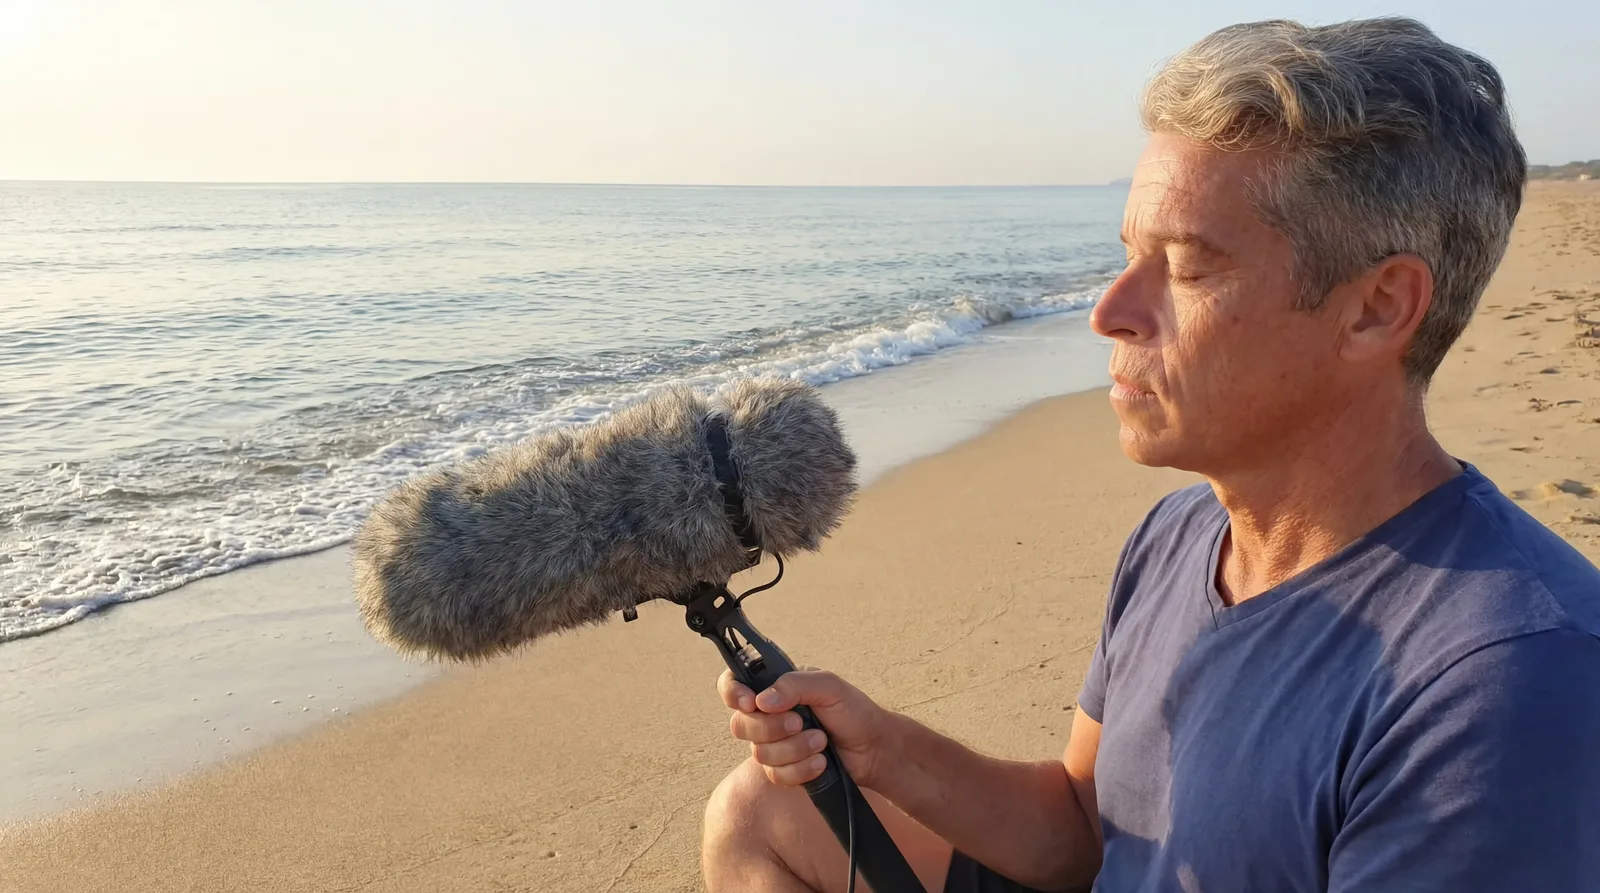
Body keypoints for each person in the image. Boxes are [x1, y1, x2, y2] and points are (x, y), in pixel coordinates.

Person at [701, 16, 1600, 893]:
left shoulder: (1504, 679)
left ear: (1375, 308)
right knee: (764, 814)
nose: (1111, 310)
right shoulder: (1183, 534)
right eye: (1130, 253)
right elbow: (1086, 829)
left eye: (1188, 266)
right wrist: (886, 749)